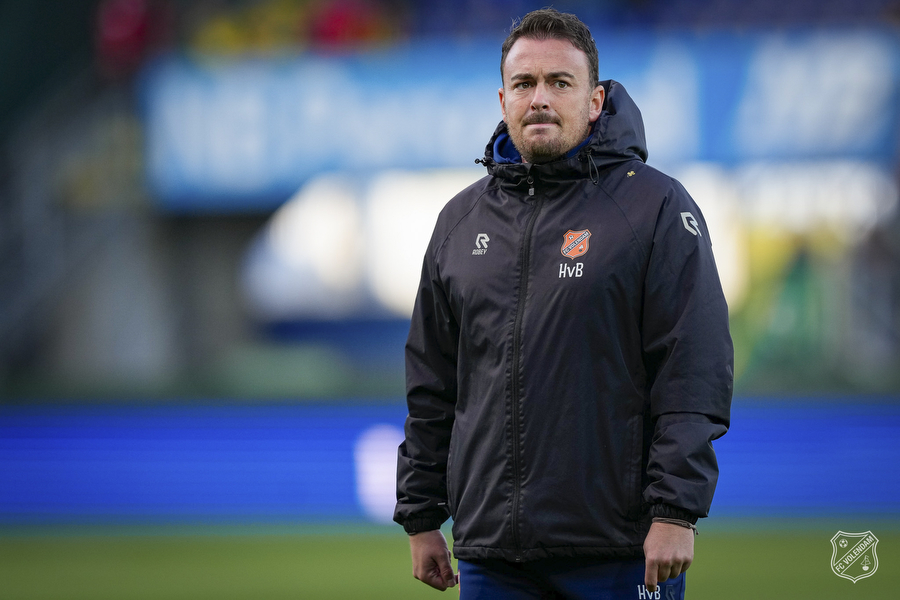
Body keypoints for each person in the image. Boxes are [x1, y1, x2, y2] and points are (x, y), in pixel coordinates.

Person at [394, 8, 733, 599]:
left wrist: (676, 512)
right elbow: (433, 384)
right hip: (493, 556)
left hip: (620, 550)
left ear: (595, 100)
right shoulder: (459, 221)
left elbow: (692, 368)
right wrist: (421, 515)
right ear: (503, 99)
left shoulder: (655, 207)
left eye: (560, 82)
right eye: (524, 84)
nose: (540, 99)